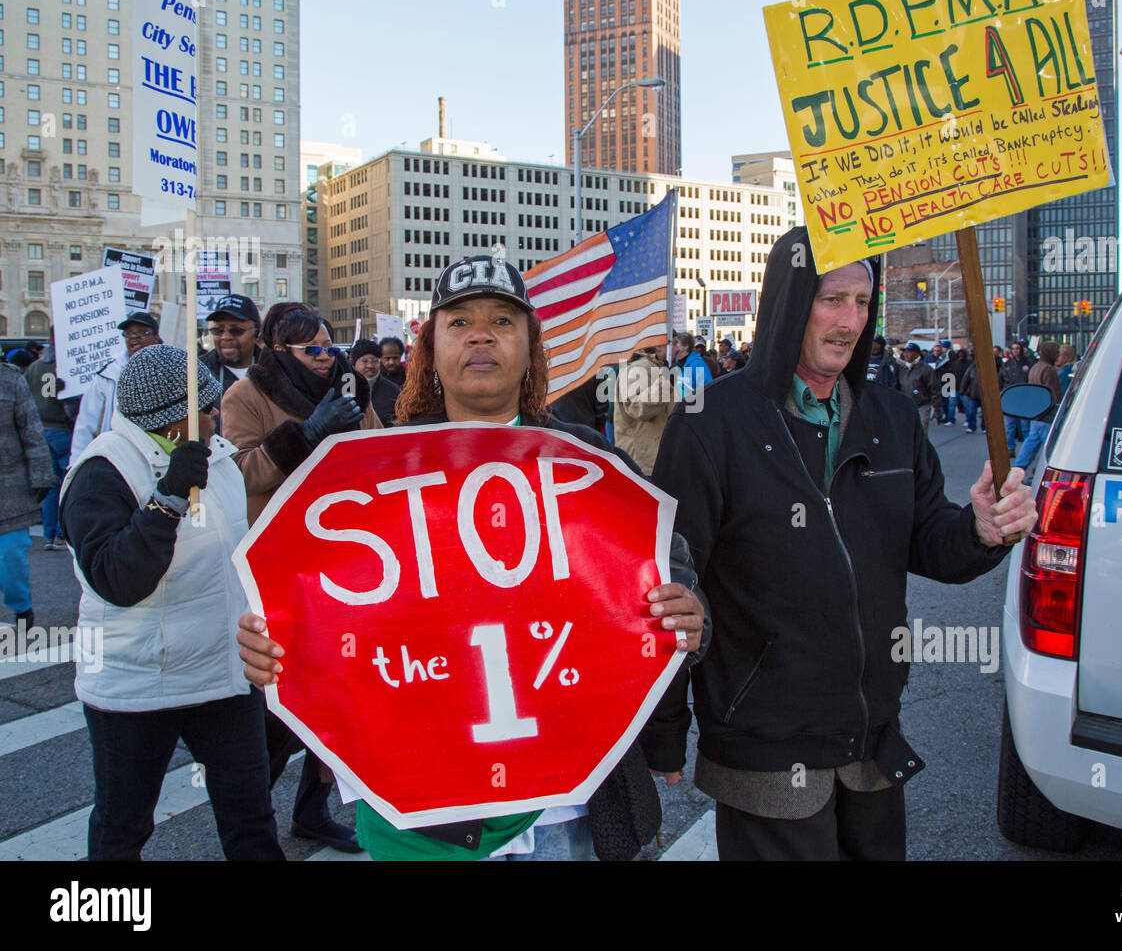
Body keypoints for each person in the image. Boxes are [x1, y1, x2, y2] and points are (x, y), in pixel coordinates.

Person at [237, 255, 707, 861]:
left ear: (532, 346)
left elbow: (676, 577)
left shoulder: (590, 463)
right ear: (430, 348)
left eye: (502, 322)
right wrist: (272, 642)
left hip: (571, 812)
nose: (481, 335)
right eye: (459, 322)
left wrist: (692, 613)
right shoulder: (372, 470)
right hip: (429, 817)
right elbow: (322, 613)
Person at [647, 226, 1037, 861]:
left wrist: (980, 528)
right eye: (831, 299)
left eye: (862, 300)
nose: (849, 320)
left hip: (871, 744)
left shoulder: (890, 416)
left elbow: (930, 541)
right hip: (766, 749)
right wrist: (664, 731)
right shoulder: (709, 422)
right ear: (787, 303)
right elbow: (670, 581)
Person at [58, 345, 283, 861]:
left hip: (225, 675)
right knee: (123, 824)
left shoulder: (217, 456)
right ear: (175, 417)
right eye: (205, 408)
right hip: (138, 684)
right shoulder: (101, 471)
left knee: (250, 817)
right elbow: (117, 579)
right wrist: (168, 499)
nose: (215, 416)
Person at [221, 302, 382, 854]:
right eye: (310, 348)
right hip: (282, 563)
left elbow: (378, 454)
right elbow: (237, 476)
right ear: (277, 350)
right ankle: (250, 818)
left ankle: (311, 811)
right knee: (280, 702)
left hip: (348, 558)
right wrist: (307, 434)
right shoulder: (245, 396)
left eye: (328, 345)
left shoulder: (347, 387)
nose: (324, 357)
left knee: (335, 697)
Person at [69, 312, 162, 467]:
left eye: (142, 332)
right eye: (129, 333)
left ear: (156, 337)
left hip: (157, 459)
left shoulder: (171, 368)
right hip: (117, 460)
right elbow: (86, 424)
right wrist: (76, 464)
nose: (134, 337)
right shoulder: (107, 376)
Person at [1, 357, 54, 628]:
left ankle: (21, 606)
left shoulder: (11, 380)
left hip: (10, 489)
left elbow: (32, 430)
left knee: (10, 557)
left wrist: (43, 474)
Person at [25, 337, 75, 550]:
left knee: (51, 485)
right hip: (62, 429)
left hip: (41, 429)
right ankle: (62, 533)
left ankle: (48, 535)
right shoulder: (67, 365)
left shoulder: (35, 367)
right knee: (67, 484)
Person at [612, 345, 675, 473]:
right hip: (644, 461)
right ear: (659, 347)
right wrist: (665, 383)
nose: (676, 348)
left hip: (654, 457)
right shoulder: (637, 368)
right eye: (673, 343)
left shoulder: (653, 366)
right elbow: (637, 408)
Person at [1012, 340, 1063, 473]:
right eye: (1056, 352)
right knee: (1050, 447)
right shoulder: (1048, 369)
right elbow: (1051, 392)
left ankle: (1017, 469)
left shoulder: (1036, 366)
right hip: (1047, 412)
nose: (1057, 355)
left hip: (1037, 411)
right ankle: (1046, 471)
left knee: (1031, 442)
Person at [201, 293, 262, 395]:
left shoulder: (277, 370)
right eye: (218, 330)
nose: (226, 337)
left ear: (256, 332)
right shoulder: (197, 373)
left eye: (236, 330)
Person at [349, 339, 401, 427]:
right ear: (355, 363)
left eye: (374, 361)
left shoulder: (393, 390)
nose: (370, 366)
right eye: (364, 361)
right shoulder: (346, 389)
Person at [998, 341, 1034, 456]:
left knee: (1025, 427)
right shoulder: (1007, 364)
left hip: (1024, 397)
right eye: (1013, 349)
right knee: (1010, 426)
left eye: (1017, 348)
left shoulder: (1028, 362)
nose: (1015, 350)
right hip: (1010, 397)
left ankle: (1026, 450)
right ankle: (1010, 448)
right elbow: (1001, 379)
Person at [896, 341, 939, 431]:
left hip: (922, 406)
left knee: (921, 434)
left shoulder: (926, 369)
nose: (905, 354)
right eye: (904, 352)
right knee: (907, 433)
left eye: (909, 352)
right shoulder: (902, 368)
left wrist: (936, 408)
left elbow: (934, 389)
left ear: (916, 354)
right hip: (905, 406)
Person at [670, 332, 712, 398]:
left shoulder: (697, 364)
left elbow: (707, 388)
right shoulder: (676, 366)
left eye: (676, 343)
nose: (673, 346)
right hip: (681, 406)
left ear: (686, 346)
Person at [958, 352, 985, 433]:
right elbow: (965, 379)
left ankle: (984, 427)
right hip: (974, 393)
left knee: (985, 414)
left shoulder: (988, 367)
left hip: (985, 395)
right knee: (972, 411)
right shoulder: (972, 367)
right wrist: (962, 389)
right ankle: (971, 426)